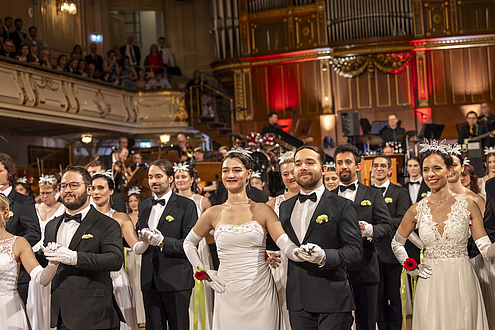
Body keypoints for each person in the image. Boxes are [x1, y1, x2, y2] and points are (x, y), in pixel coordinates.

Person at [183, 149, 311, 329]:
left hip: (260, 289)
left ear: (248, 173)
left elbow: (285, 244)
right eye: (226, 170)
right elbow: (188, 243)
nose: (230, 175)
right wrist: (202, 271)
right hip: (227, 288)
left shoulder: (262, 210)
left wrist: (301, 253)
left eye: (236, 170)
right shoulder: (213, 212)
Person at [391, 139, 495, 329]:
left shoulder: (468, 205)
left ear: (450, 171)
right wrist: (410, 266)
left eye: (437, 168)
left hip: (462, 278)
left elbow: (486, 250)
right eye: (426, 169)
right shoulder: (416, 209)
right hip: (429, 281)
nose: (430, 174)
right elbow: (397, 243)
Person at [272, 145, 363, 330]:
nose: (303, 167)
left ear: (323, 169)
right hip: (298, 300)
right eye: (298, 164)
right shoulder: (285, 207)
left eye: (309, 162)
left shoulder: (342, 205)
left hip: (332, 297)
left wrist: (324, 256)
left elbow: (355, 251)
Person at [37, 166, 125, 329]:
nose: (67, 190)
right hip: (62, 314)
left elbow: (115, 259)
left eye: (74, 185)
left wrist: (74, 257)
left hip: (96, 315)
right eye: (64, 186)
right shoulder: (51, 225)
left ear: (89, 189)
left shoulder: (107, 224)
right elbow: (45, 260)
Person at [333, 144, 394, 330]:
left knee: (366, 323)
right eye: (339, 162)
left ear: (358, 166)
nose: (344, 166)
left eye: (348, 162)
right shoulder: (327, 197)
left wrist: (370, 230)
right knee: (337, 324)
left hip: (366, 268)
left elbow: (388, 227)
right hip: (335, 272)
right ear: (335, 167)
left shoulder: (373, 194)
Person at [136, 159, 199, 330]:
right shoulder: (143, 206)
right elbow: (139, 234)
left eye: (158, 176)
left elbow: (190, 244)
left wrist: (163, 242)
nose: (154, 181)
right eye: (150, 177)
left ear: (170, 179)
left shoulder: (187, 205)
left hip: (176, 279)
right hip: (149, 280)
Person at [91, 173, 144, 330]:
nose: (96, 192)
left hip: (115, 277)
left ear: (111, 191)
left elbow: (136, 247)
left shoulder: (121, 218)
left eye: (101, 188)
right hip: (90, 276)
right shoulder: (82, 217)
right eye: (93, 188)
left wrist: (148, 241)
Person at [0, 194, 59, 328]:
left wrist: (53, 263)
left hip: (9, 313)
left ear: (4, 212)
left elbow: (42, 279)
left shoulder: (19, 243)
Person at [371, 154, 411, 330]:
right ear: (371, 169)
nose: (379, 168)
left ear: (390, 169)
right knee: (377, 297)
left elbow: (404, 219)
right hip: (371, 253)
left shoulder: (400, 192)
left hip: (392, 251)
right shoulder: (367, 192)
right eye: (376, 165)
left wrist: (379, 225)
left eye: (383, 166)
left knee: (393, 296)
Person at [173, 162, 214, 329]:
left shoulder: (202, 201)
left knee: (201, 285)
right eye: (177, 177)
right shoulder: (171, 202)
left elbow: (211, 227)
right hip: (178, 246)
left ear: (191, 179)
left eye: (183, 177)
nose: (180, 180)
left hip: (199, 247)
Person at [0, 153, 40, 304]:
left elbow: (34, 232)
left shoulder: (23, 201)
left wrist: (12, 248)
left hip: (15, 272)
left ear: (9, 173)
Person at [266, 151, 300, 330]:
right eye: (285, 174)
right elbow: (255, 233)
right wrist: (265, 254)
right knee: (284, 306)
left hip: (309, 258)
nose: (289, 177)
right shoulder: (273, 203)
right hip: (281, 262)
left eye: (292, 172)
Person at [26, 174, 65, 330]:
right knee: (35, 289)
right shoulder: (34, 208)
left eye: (48, 193)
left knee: (51, 291)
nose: (44, 196)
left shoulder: (62, 208)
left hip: (53, 252)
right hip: (34, 253)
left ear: (55, 191)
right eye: (42, 193)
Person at [126, 187, 146, 326]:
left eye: (135, 200)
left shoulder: (144, 214)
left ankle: (144, 315)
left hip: (142, 251)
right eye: (131, 201)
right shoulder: (126, 217)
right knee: (132, 282)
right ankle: (136, 316)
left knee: (141, 282)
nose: (133, 203)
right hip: (129, 254)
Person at [448, 151, 485, 215]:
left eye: (454, 165)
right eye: (447, 165)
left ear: (462, 168)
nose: (451, 169)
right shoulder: (430, 200)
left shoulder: (476, 199)